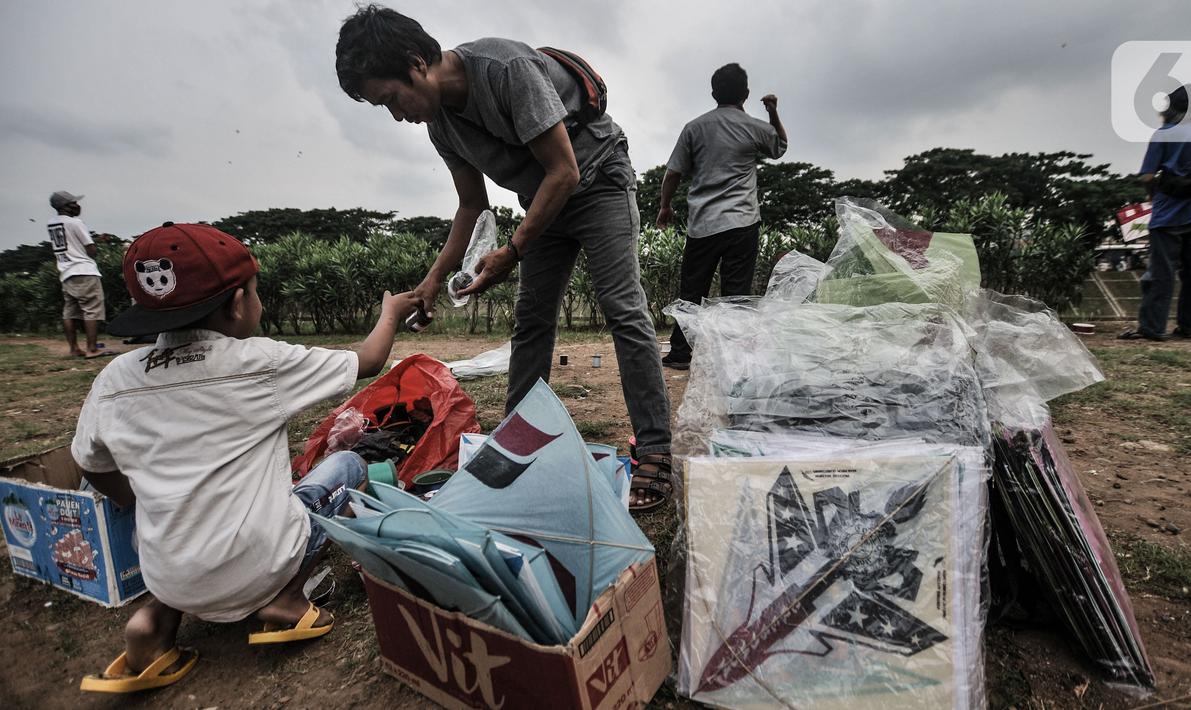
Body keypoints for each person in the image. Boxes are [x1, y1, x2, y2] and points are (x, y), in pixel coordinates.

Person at [335, 6, 675, 513]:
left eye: (390, 98)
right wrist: (432, 281)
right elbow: (471, 205)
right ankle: (516, 447)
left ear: (416, 63)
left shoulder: (505, 69)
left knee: (622, 308)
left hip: (597, 179)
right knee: (531, 322)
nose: (397, 115)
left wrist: (513, 251)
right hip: (543, 204)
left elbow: (565, 171)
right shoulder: (442, 126)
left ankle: (655, 449)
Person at [73, 222, 417, 693]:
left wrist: (143, 502)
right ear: (238, 303)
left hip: (168, 575)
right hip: (258, 566)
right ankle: (286, 600)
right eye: (256, 291)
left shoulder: (114, 380)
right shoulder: (259, 362)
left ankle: (154, 622)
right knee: (349, 467)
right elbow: (369, 360)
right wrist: (391, 311)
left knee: (181, 526)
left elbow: (92, 466)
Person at [656, 63, 788, 369]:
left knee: (691, 291)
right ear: (746, 94)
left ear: (713, 92)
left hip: (703, 224)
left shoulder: (694, 127)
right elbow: (780, 146)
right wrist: (772, 112)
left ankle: (680, 353)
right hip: (742, 222)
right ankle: (734, 359)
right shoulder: (756, 128)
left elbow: (673, 172)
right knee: (736, 294)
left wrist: (665, 206)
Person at [1120, 85, 1191, 341]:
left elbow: (1148, 175)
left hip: (1168, 214)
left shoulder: (1164, 134)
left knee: (1161, 274)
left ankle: (1153, 328)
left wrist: (1153, 194)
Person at [47, 191, 112, 358]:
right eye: (74, 203)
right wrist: (94, 246)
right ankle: (92, 349)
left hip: (66, 272)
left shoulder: (52, 223)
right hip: (84, 270)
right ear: (66, 206)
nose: (77, 205)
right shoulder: (76, 223)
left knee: (70, 312)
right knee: (91, 309)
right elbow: (90, 249)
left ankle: (74, 348)